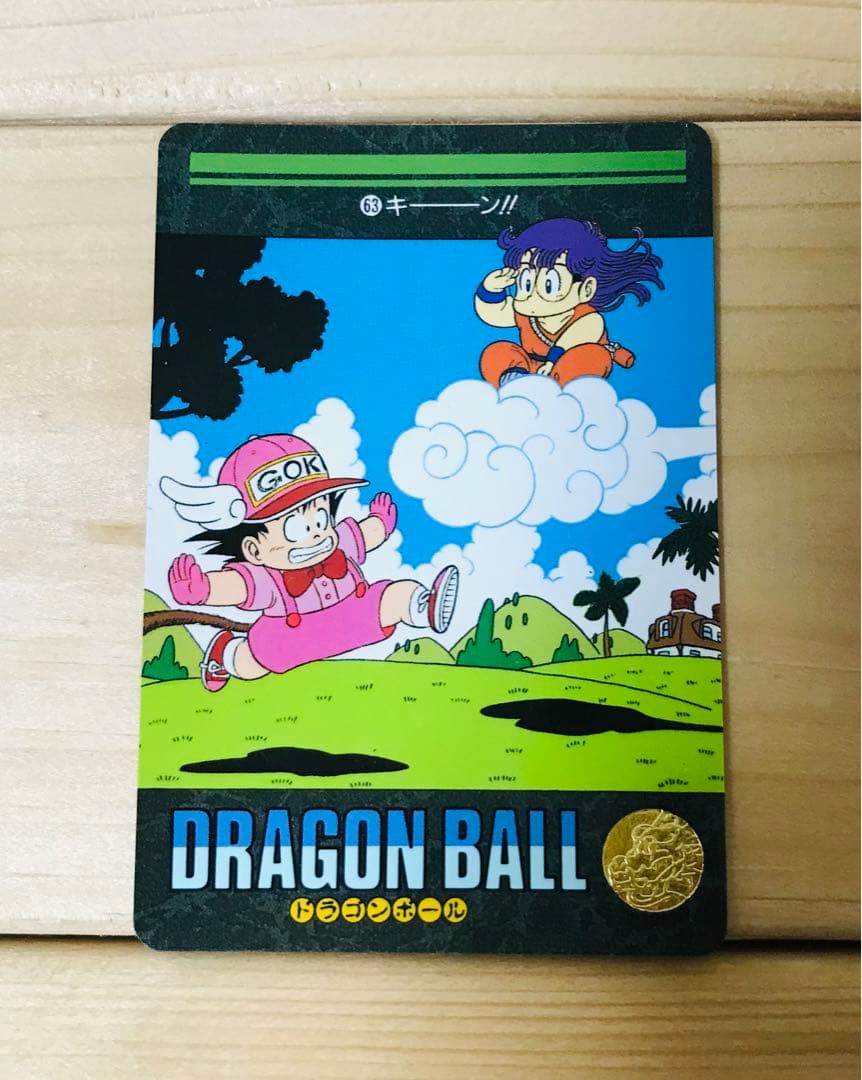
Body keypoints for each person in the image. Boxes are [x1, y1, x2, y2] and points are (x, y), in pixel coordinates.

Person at [160, 433, 459, 691]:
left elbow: (362, 536)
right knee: (251, 664)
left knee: (395, 594)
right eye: (296, 528)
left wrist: (379, 523)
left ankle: (424, 606)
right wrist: (204, 589)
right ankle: (224, 657)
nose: (317, 533)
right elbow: (239, 586)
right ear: (254, 550)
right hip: (290, 637)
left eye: (321, 518)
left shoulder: (337, 545)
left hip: (357, 614)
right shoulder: (268, 578)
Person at [475, 218, 664, 389]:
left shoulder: (589, 318)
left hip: (566, 370)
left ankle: (560, 394)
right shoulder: (527, 313)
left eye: (549, 285)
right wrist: (490, 289)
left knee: (594, 356)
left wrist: (551, 363)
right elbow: (495, 313)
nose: (533, 296)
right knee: (497, 351)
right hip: (532, 370)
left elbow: (572, 339)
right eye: (526, 282)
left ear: (586, 289)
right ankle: (515, 385)